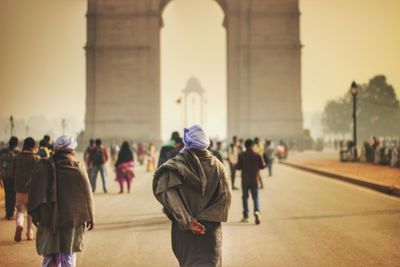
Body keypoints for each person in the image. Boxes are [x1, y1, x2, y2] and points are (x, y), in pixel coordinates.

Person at [153, 125, 232, 267]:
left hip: (185, 233)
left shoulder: (174, 166)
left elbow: (164, 192)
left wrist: (189, 222)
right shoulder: (219, 167)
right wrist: (203, 220)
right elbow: (225, 201)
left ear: (187, 142)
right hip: (210, 232)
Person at [28, 135, 95, 267]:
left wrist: (35, 214)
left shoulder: (43, 165)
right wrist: (91, 217)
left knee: (49, 255)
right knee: (68, 256)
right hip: (71, 220)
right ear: (71, 150)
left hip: (47, 218)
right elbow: (87, 195)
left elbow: (34, 191)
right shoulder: (77, 168)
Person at [13, 137, 41, 241]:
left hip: (20, 189)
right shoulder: (36, 158)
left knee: (20, 210)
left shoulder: (17, 157)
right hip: (32, 190)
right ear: (33, 147)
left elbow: (12, 172)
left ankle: (19, 225)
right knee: (31, 212)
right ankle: (29, 233)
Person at [236, 139, 265, 225]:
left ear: (245, 146)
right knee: (255, 197)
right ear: (252, 145)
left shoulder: (241, 155)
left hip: (245, 180)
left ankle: (246, 216)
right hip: (254, 180)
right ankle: (256, 211)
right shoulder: (257, 155)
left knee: (245, 197)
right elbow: (262, 166)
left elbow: (238, 167)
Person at [0, 136, 19, 220]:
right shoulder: (17, 153)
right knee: (13, 194)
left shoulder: (2, 151)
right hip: (14, 176)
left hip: (4, 176)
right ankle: (11, 213)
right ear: (16, 144)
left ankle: (8, 213)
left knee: (8, 194)